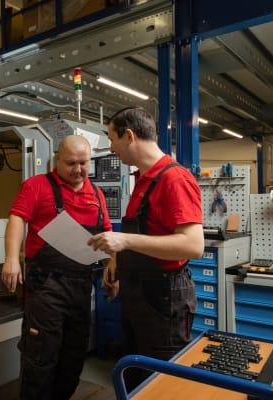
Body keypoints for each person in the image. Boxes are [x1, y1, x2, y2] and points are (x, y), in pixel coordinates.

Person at [88, 107, 204, 391]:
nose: (111, 147)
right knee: (138, 379)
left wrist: (124, 242)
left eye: (111, 139)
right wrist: (117, 261)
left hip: (164, 300)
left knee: (161, 385)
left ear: (129, 136)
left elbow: (193, 245)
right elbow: (145, 233)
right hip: (139, 295)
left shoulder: (174, 179)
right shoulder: (143, 178)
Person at [2, 135, 114, 400]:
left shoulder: (97, 194)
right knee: (41, 358)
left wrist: (113, 268)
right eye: (71, 163)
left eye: (83, 163)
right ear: (56, 161)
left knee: (73, 359)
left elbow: (107, 234)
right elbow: (17, 219)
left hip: (81, 287)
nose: (78, 169)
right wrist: (11, 258)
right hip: (46, 288)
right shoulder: (36, 186)